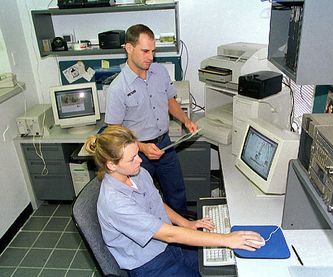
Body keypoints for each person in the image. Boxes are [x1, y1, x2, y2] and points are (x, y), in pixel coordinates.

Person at [84, 125, 264, 277]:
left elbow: (155, 203)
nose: (140, 160)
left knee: (216, 268)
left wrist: (187, 223)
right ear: (111, 164)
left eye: (138, 153)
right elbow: (169, 234)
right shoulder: (115, 203)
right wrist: (227, 239)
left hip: (166, 245)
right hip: (148, 263)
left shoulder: (136, 173)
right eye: (132, 158)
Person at [105, 24, 196, 212]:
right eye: (145, 51)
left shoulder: (160, 72)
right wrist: (142, 147)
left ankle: (184, 234)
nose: (151, 57)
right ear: (129, 48)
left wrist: (186, 121)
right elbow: (114, 132)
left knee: (177, 192)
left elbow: (170, 101)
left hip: (165, 145)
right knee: (145, 201)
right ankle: (161, 235)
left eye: (153, 51)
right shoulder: (117, 88)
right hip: (136, 154)